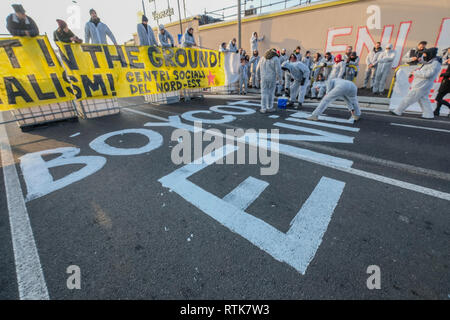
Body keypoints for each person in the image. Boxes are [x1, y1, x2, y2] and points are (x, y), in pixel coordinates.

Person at [392, 48, 442, 119]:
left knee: (409, 97)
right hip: (422, 84)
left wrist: (415, 73)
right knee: (423, 99)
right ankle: (428, 114)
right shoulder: (431, 61)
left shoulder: (435, 63)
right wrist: (420, 61)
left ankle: (398, 111)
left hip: (422, 85)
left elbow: (428, 74)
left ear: (430, 55)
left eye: (425, 55)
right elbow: (425, 66)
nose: (423, 56)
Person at [256, 48, 282, 113]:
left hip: (263, 77)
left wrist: (258, 78)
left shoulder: (262, 58)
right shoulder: (275, 58)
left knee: (264, 93)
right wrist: (280, 78)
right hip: (271, 77)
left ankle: (263, 108)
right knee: (271, 92)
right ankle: (269, 107)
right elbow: (278, 70)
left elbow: (257, 69)